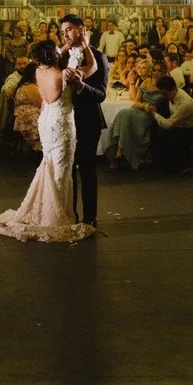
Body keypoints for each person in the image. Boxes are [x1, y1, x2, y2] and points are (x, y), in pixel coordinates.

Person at [0, 38, 97, 244]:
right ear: (55, 55)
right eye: (58, 49)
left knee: (49, 163)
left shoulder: (39, 71)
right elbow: (91, 67)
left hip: (46, 120)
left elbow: (54, 55)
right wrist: (84, 44)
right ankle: (56, 215)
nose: (61, 48)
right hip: (61, 124)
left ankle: (49, 207)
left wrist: (65, 46)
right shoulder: (64, 75)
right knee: (62, 169)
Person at [59, 13, 108, 227]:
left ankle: (90, 218)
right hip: (64, 120)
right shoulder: (59, 58)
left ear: (81, 29)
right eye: (62, 32)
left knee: (87, 169)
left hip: (88, 120)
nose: (66, 35)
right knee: (66, 171)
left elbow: (101, 94)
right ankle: (70, 215)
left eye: (69, 29)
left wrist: (81, 87)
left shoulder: (98, 57)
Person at [103, 57, 163, 170]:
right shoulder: (145, 82)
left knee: (125, 115)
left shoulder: (164, 84)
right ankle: (119, 154)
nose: (156, 73)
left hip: (150, 115)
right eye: (154, 70)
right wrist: (144, 106)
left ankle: (119, 154)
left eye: (159, 71)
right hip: (139, 110)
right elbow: (136, 101)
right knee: (123, 113)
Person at [145, 75, 193, 172]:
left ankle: (172, 164)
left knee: (163, 131)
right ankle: (163, 162)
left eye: (165, 94)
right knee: (153, 127)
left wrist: (154, 113)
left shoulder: (185, 103)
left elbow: (169, 125)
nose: (164, 97)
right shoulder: (172, 95)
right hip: (181, 125)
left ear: (173, 89)